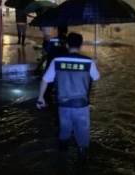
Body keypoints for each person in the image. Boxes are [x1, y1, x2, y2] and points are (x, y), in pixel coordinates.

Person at [36, 32, 100, 164]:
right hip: (81, 105)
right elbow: (96, 78)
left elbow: (45, 80)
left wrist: (41, 98)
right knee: (82, 133)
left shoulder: (57, 61)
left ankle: (62, 159)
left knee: (64, 129)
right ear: (81, 45)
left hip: (63, 104)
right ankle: (82, 162)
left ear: (66, 45)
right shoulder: (88, 62)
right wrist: (95, 63)